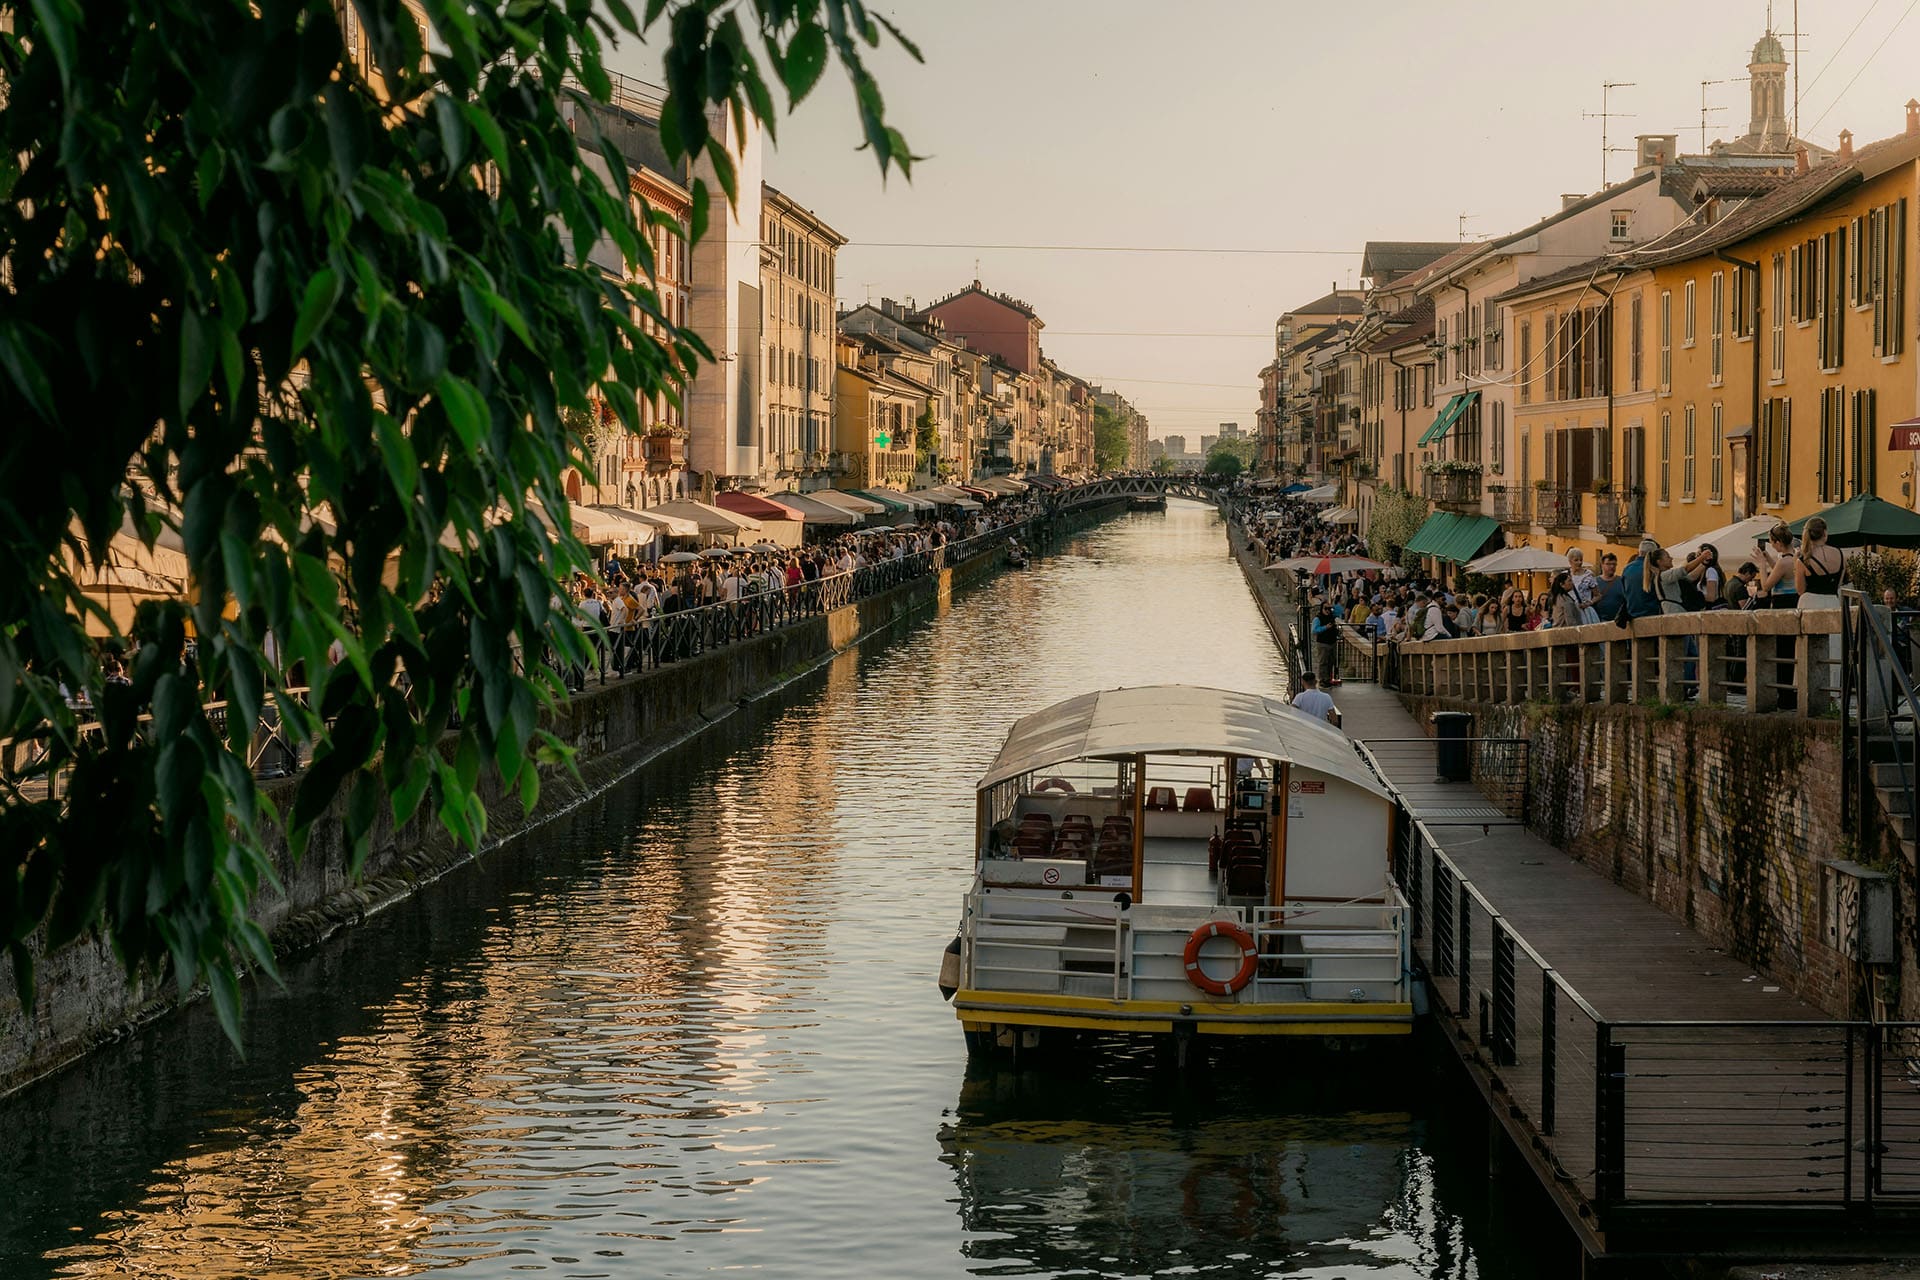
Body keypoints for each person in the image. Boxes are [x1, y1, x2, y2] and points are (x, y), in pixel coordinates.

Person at [1567, 547, 1601, 624]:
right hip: (1571, 611)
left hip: (1586, 612)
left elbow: (1598, 595)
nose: (1579, 562)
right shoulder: (1565, 575)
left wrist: (1589, 603)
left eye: (1581, 560)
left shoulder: (1588, 575)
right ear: (1570, 561)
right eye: (1576, 560)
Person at [1593, 551, 1626, 622]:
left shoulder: (1622, 581)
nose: (1612, 566)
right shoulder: (1594, 582)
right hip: (1600, 622)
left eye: (1614, 564)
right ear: (1602, 565)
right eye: (1608, 564)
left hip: (1618, 621)